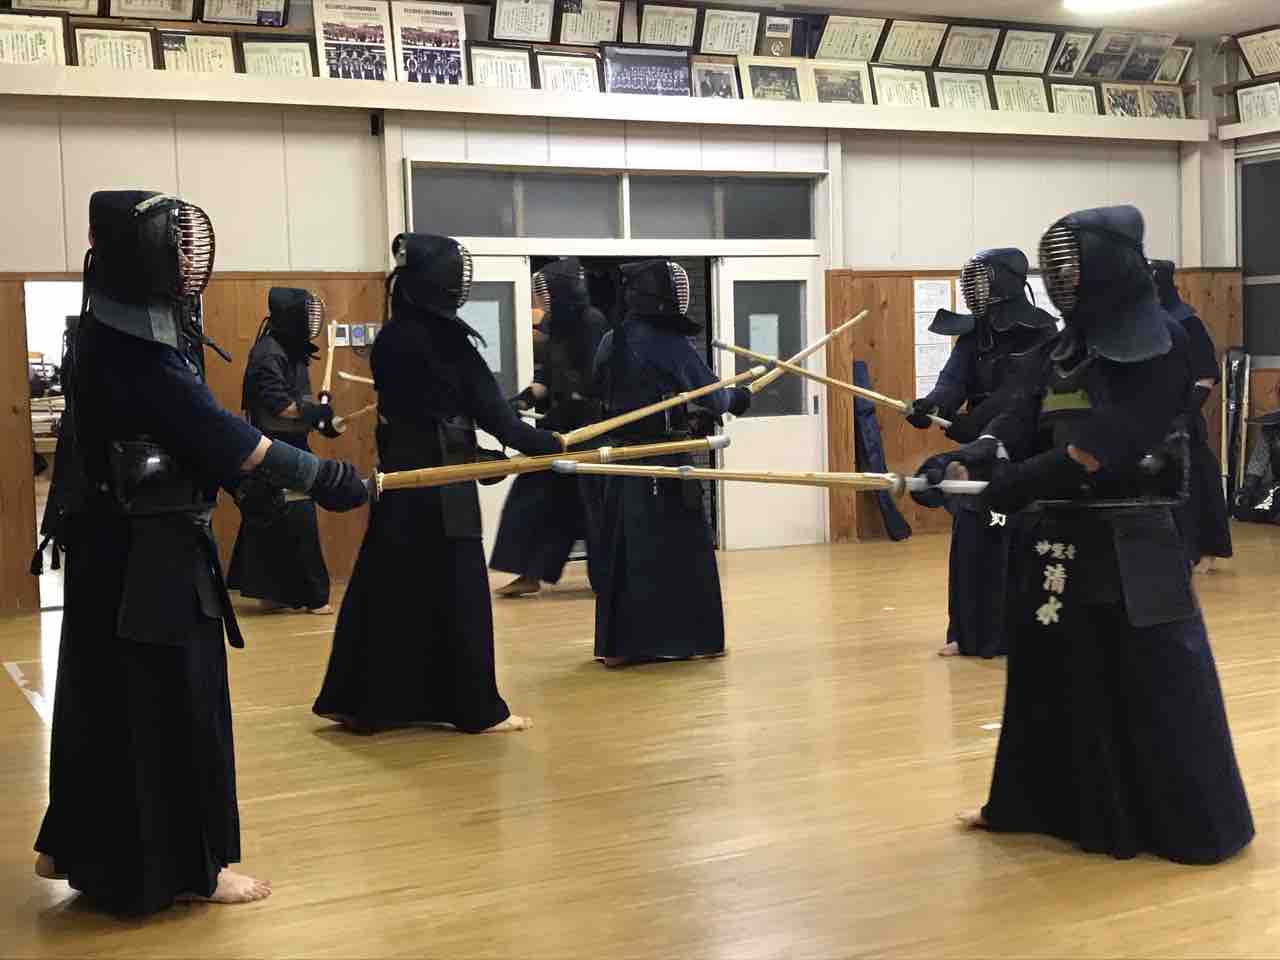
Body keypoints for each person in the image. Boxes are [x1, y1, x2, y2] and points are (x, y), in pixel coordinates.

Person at [33, 190, 368, 914]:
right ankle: (189, 868)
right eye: (176, 244)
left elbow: (181, 436)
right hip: (147, 560)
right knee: (174, 703)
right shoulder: (133, 349)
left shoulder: (118, 334)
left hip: (123, 551)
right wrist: (318, 476)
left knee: (113, 700)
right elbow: (215, 430)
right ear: (141, 254)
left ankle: (89, 848)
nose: (191, 259)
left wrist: (242, 485)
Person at [914, 205, 1253, 864]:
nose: (1063, 280)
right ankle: (1033, 804)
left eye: (1073, 266)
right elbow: (1015, 423)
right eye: (1057, 268)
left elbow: (1102, 446)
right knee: (1045, 675)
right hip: (1057, 537)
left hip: (1136, 541)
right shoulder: (1058, 350)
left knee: (1157, 681)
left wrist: (1014, 483)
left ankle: (1187, 825)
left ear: (1110, 268)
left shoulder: (1163, 346)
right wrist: (963, 462)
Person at [312, 233, 562, 733]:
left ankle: (367, 704)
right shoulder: (449, 342)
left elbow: (434, 413)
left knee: (392, 592)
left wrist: (500, 443)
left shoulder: (391, 338)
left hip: (403, 483)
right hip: (445, 490)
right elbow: (496, 418)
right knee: (458, 596)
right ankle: (475, 709)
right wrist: (550, 445)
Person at [589, 259, 750, 667]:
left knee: (625, 551)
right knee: (680, 551)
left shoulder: (611, 339)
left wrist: (682, 414)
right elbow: (715, 397)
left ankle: (621, 647)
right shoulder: (669, 343)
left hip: (622, 462)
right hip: (664, 462)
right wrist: (739, 398)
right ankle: (689, 639)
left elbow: (609, 392)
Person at [905, 248, 1056, 658]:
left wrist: (978, 427)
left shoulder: (1043, 334)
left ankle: (1014, 634)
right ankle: (966, 631)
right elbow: (952, 382)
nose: (974, 287)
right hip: (978, 453)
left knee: (1013, 541)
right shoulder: (975, 335)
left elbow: (1021, 397)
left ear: (1005, 279)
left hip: (1022, 452)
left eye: (982, 278)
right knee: (972, 537)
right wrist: (933, 407)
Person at [490, 258, 606, 598]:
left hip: (590, 428)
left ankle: (606, 579)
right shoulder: (554, 324)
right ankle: (529, 573)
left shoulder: (593, 322)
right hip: (560, 427)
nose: (541, 299)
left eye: (545, 292)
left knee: (593, 506)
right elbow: (547, 374)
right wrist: (525, 399)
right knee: (532, 494)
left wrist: (577, 398)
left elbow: (597, 377)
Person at [227, 288, 339, 614]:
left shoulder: (290, 349)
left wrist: (320, 420)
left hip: (290, 443)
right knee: (293, 516)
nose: (311, 321)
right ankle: (313, 597)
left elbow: (298, 403)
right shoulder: (268, 353)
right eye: (305, 314)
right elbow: (278, 406)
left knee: (274, 518)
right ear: (292, 317)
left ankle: (274, 593)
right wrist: (311, 412)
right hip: (274, 447)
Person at [1151, 260, 1233, 569]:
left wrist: (1184, 414)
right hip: (1148, 420)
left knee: (1195, 480)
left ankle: (1203, 550)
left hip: (1181, 420)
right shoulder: (1141, 325)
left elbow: (1205, 375)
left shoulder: (1188, 323)